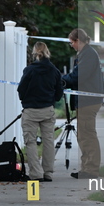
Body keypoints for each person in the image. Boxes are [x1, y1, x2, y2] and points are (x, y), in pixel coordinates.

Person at [62, 28, 104, 179]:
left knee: (87, 135)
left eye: (71, 42)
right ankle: (86, 167)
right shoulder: (87, 54)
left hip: (88, 101)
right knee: (84, 135)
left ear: (78, 41)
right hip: (86, 100)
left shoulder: (88, 55)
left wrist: (62, 80)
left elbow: (79, 76)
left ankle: (91, 170)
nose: (71, 45)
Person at [17, 42, 63, 182]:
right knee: (48, 140)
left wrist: (25, 101)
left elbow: (21, 89)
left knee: (30, 142)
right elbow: (59, 92)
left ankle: (36, 174)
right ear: (47, 52)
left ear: (34, 53)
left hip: (31, 110)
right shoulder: (54, 71)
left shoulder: (29, 70)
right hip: (47, 109)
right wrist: (51, 100)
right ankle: (48, 172)